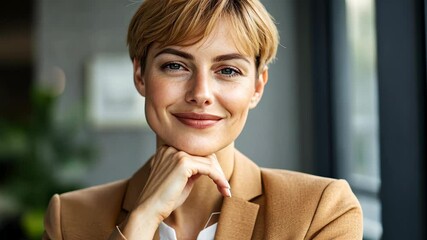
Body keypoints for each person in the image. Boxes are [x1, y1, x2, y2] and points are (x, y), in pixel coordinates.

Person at [43, 0, 363, 239]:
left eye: (227, 70)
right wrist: (141, 221)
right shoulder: (68, 219)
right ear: (140, 75)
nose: (201, 93)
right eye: (175, 66)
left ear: (257, 86)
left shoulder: (320, 211)